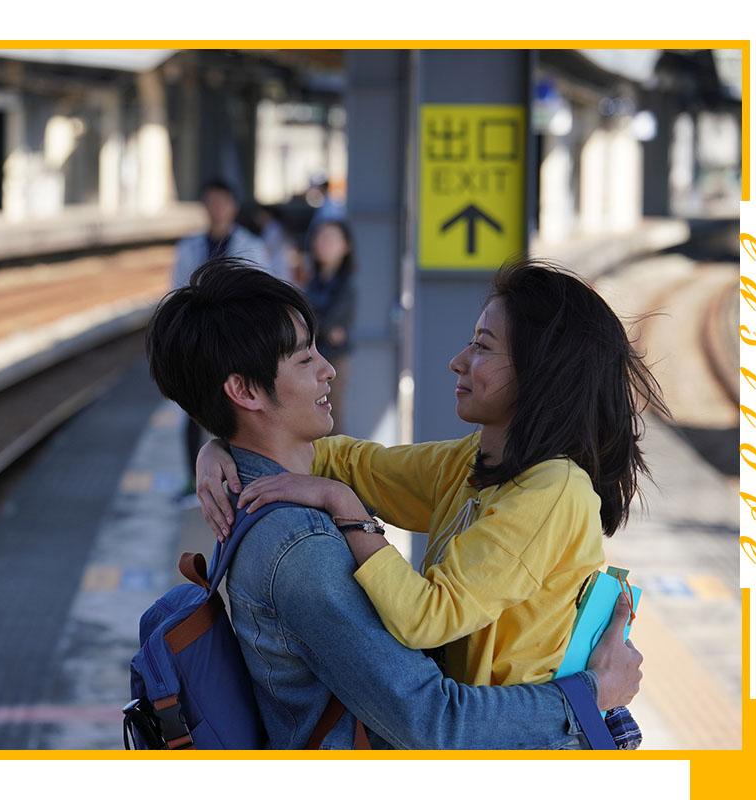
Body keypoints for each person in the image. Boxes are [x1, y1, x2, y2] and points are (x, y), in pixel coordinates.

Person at [146, 257, 643, 748]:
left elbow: (425, 616)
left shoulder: (551, 490)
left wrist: (237, 445)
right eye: (304, 358)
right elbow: (433, 718)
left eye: (482, 346)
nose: (328, 370)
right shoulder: (305, 545)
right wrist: (223, 444)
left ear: (541, 373)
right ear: (244, 391)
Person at [171, 179, 270, 503]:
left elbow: (261, 295)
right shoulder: (188, 247)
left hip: (235, 344)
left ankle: (236, 482)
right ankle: (194, 480)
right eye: (211, 201)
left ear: (233, 206)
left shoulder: (251, 245)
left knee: (235, 412)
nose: (216, 209)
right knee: (192, 412)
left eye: (222, 201)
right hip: (197, 344)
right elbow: (176, 294)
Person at [302, 220, 356, 433]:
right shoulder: (311, 282)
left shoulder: (346, 285)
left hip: (334, 359)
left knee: (331, 417)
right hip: (308, 357)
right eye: (321, 237)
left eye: (331, 238)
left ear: (346, 246)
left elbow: (329, 324)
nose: (324, 243)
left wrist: (315, 323)